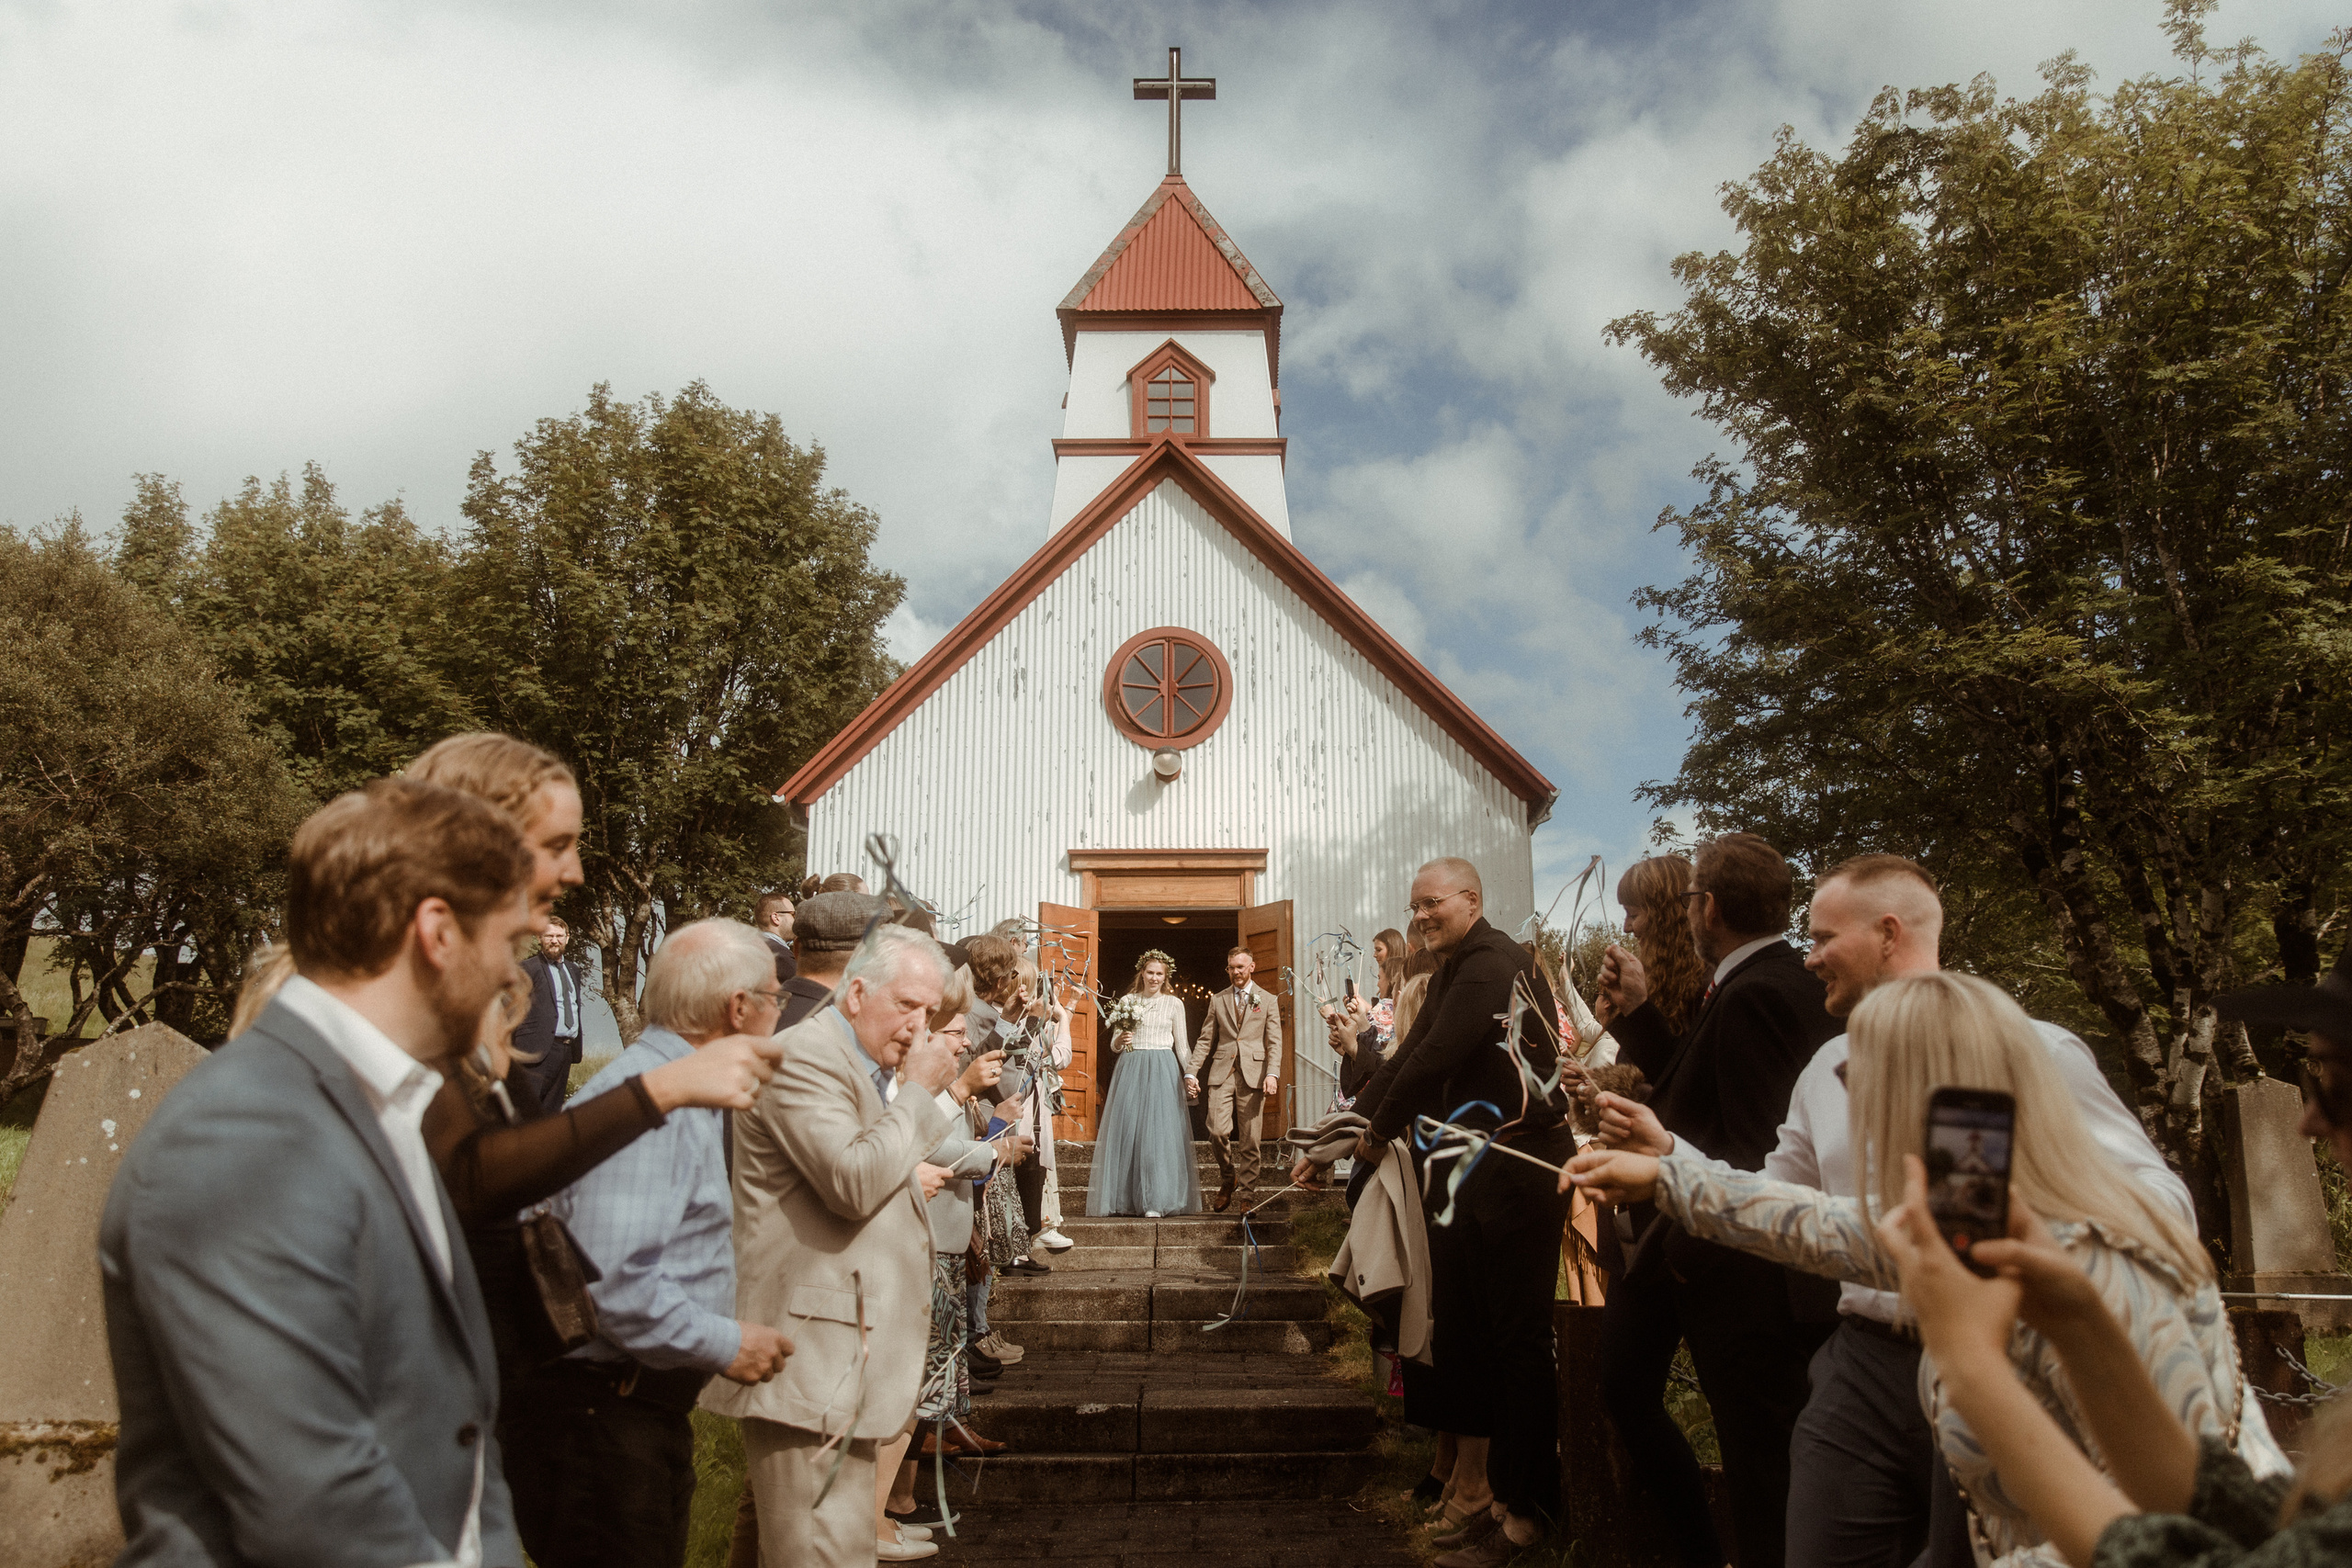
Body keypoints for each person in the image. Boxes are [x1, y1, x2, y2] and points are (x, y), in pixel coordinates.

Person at [1591, 852, 2195, 1568]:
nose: (1807, 957)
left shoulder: (2027, 1048)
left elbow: (2161, 1203)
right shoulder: (1826, 1071)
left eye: (1823, 938)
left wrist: (2038, 1253)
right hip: (1861, 1358)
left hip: (1998, 1355)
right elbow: (1779, 1195)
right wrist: (1669, 1158)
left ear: (1888, 932)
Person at [101, 777, 539, 1566]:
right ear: (438, 932)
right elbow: (314, 1502)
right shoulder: (244, 1136)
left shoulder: (387, 1105)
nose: (511, 975)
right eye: (508, 941)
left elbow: (463, 1439)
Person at [1863, 944, 2352, 1568]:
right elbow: (2265, 1525)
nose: (2309, 1121)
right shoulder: (2079, 1260)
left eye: (2332, 1082)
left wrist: (1971, 1364)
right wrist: (2078, 1322)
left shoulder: (2115, 1259)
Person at [499, 920, 796, 1568]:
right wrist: (728, 1343)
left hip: (626, 1413)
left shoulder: (674, 1088)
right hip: (603, 1420)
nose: (780, 1014)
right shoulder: (657, 1102)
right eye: (775, 999)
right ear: (738, 1008)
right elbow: (615, 1285)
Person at [1590, 834, 1839, 1568]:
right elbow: (1702, 1092)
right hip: (1728, 1255)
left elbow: (1758, 1151)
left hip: (1740, 1275)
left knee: (1764, 1471)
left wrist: (1677, 1226)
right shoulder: (1752, 983)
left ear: (1709, 908)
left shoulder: (1755, 993)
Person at [707, 922, 962, 1568]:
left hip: (840, 1366)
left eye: (929, 1012)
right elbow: (852, 1182)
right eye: (906, 1005)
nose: (919, 1027)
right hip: (810, 1364)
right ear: (856, 993)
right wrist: (921, 1094)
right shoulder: (804, 1058)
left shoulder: (857, 1062)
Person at [1349, 857, 1573, 1567]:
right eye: (1414, 906)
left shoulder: (1493, 962)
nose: (1420, 916)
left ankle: (1530, 1512)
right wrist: (1344, 1128)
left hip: (1522, 1168)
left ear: (1471, 900)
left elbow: (1433, 1059)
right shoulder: (1454, 968)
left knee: (1519, 1341)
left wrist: (1376, 1132)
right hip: (1477, 1171)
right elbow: (1409, 1051)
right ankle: (1495, 1498)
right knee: (1478, 1336)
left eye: (1433, 903)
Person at [1091, 951, 1205, 1218]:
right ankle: (1127, 1199)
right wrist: (1121, 1040)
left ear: (1166, 977)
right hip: (1132, 1067)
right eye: (1150, 972)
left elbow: (1182, 1046)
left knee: (1160, 1134)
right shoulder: (1128, 1001)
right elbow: (1114, 1045)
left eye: (1159, 974)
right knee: (1131, 1131)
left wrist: (1191, 1074)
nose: (1154, 978)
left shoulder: (1174, 1003)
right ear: (1142, 973)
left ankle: (1156, 1199)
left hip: (1163, 1067)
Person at [1185, 945, 1283, 1212]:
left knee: (1250, 1140)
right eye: (1231, 968)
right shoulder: (1218, 1000)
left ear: (1252, 967)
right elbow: (1205, 1040)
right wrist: (1192, 1071)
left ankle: (1247, 1195)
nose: (1236, 972)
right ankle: (1229, 1178)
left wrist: (1272, 1073)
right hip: (1222, 1072)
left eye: (1241, 967)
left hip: (1254, 1074)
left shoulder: (1267, 1000)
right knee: (1216, 1130)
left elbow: (1274, 1042)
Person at [514, 915, 589, 1109]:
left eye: (559, 936)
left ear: (567, 938)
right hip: (536, 1053)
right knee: (528, 1111)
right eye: (549, 936)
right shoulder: (527, 969)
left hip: (565, 1051)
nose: (554, 941)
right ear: (539, 938)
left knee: (553, 1112)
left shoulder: (573, 970)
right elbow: (511, 1011)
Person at [754, 892, 798, 986]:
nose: (796, 920)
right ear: (776, 918)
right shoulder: (780, 956)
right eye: (793, 915)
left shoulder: (753, 948)